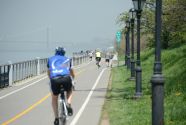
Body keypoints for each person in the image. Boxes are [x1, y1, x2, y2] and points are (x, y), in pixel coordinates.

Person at [47, 47, 75, 125]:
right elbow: (71, 71)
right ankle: (68, 104)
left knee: (54, 98)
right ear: (64, 53)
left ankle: (56, 118)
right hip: (66, 78)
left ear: (55, 52)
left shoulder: (50, 59)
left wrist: (51, 79)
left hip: (55, 80)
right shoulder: (67, 59)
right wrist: (73, 77)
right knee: (69, 90)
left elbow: (49, 71)